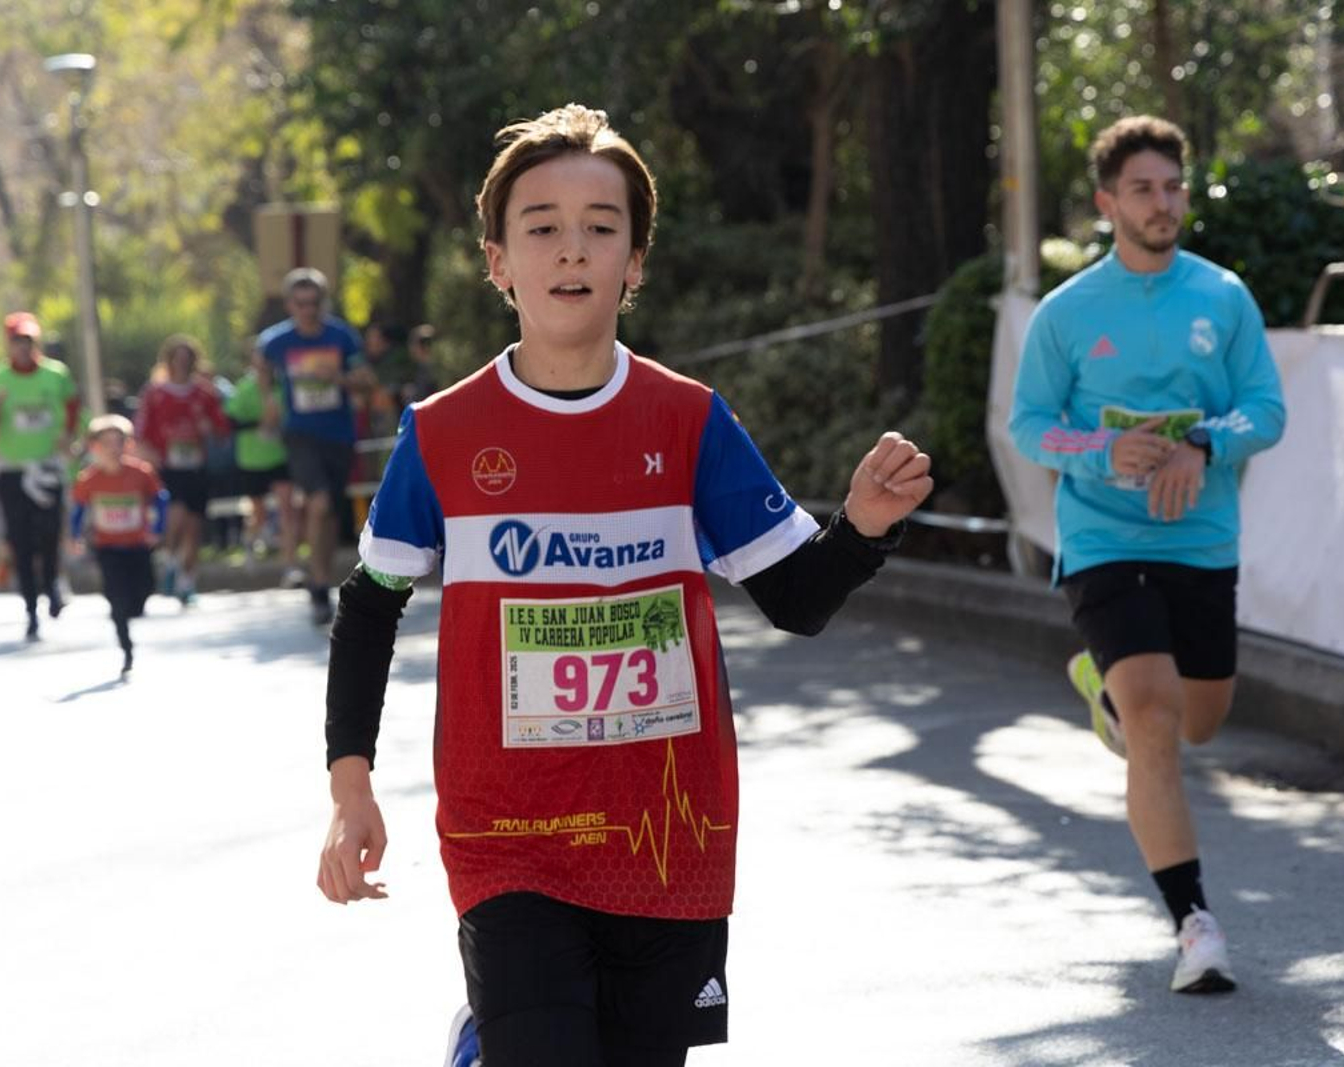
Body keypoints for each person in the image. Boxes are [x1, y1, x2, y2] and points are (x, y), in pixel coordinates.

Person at [314, 104, 932, 1067]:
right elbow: (369, 605)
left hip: (666, 833)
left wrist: (862, 529)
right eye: (543, 227)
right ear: (498, 262)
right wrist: (351, 790)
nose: (573, 251)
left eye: (601, 228)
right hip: (506, 831)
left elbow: (797, 599)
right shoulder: (442, 432)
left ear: (634, 263)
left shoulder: (689, 422)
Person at [1009, 115, 1285, 995]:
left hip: (1202, 540)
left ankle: (1104, 692)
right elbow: (1029, 424)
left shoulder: (1223, 296)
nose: (1162, 203)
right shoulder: (1069, 312)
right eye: (1143, 189)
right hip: (1102, 537)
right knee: (1158, 715)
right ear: (1106, 203)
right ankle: (1194, 925)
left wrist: (1204, 441)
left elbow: (1266, 409)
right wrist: (1099, 451)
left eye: (1172, 186)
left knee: (1201, 718)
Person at [253, 268, 374, 625]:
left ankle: (321, 581)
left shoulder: (342, 337)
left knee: (330, 512)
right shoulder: (276, 340)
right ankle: (318, 582)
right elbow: (261, 364)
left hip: (338, 434)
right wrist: (269, 402)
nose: (307, 309)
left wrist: (337, 378)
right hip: (300, 434)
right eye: (300, 303)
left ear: (323, 301)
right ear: (290, 304)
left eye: (313, 302)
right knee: (318, 503)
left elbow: (366, 382)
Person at [0, 311, 80, 640]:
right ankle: (31, 609)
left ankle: (53, 586)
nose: (23, 346)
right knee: (20, 540)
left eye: (28, 340)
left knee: (49, 533)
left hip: (46, 467)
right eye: (17, 340)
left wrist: (68, 435)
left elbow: (72, 405)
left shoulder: (55, 374)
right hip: (12, 471)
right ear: (9, 343)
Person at [70, 414, 166, 677]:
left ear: (128, 445)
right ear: (94, 447)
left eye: (118, 442)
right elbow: (78, 510)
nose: (113, 449)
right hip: (108, 548)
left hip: (137, 545)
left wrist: (157, 530)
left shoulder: (140, 473)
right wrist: (74, 536)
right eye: (106, 443)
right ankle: (126, 647)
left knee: (145, 589)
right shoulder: (89, 479)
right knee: (116, 600)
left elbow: (161, 499)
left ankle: (132, 609)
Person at [135, 334, 228, 605]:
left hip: (196, 466)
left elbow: (221, 430)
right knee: (175, 515)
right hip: (168, 466)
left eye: (188, 359)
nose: (183, 364)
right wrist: (150, 454)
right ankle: (170, 562)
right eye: (178, 359)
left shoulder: (204, 393)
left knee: (195, 525)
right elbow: (141, 430)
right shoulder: (155, 393)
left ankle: (187, 581)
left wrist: (208, 429)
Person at [224, 369, 303, 581]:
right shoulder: (244, 389)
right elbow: (231, 421)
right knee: (259, 514)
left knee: (287, 510)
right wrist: (261, 422)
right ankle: (250, 541)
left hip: (280, 456)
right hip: (251, 460)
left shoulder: (284, 387)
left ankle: (290, 566)